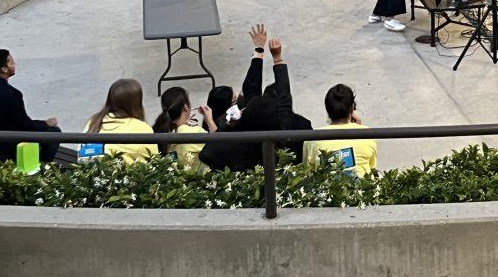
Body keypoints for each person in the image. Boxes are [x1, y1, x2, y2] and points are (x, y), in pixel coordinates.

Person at [199, 25, 311, 171]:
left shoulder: (237, 139)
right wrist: (277, 58)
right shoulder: (287, 127)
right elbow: (284, 97)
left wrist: (227, 128)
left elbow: (207, 154)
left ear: (246, 115)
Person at [0, 49, 60, 163]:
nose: (15, 65)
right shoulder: (12, 94)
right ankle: (42, 167)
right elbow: (25, 126)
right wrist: (45, 123)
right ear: (4, 69)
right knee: (54, 132)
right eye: (11, 62)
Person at [303, 84, 377, 178]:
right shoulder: (367, 135)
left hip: (327, 191)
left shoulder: (313, 139)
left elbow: (307, 173)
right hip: (363, 191)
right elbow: (372, 168)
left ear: (327, 108)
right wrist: (359, 129)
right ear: (352, 107)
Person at [82, 79, 158, 164]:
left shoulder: (92, 122)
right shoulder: (143, 129)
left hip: (89, 174)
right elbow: (153, 162)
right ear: (137, 103)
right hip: (126, 175)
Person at [152, 86, 216, 172]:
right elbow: (219, 145)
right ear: (186, 107)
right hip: (199, 181)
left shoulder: (162, 129)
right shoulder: (195, 133)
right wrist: (210, 121)